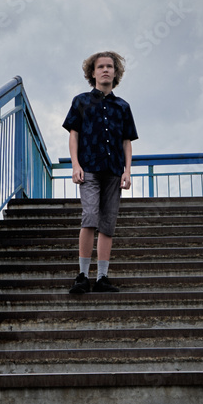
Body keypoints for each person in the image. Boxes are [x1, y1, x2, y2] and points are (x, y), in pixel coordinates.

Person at [62, 51, 138, 293]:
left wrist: (127, 171)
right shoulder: (81, 101)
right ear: (92, 73)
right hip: (90, 168)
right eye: (100, 67)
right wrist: (75, 164)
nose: (105, 70)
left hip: (114, 170)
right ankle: (82, 275)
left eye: (109, 66)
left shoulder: (122, 106)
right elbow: (73, 135)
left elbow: (127, 141)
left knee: (107, 224)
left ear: (116, 73)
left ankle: (102, 278)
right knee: (90, 217)